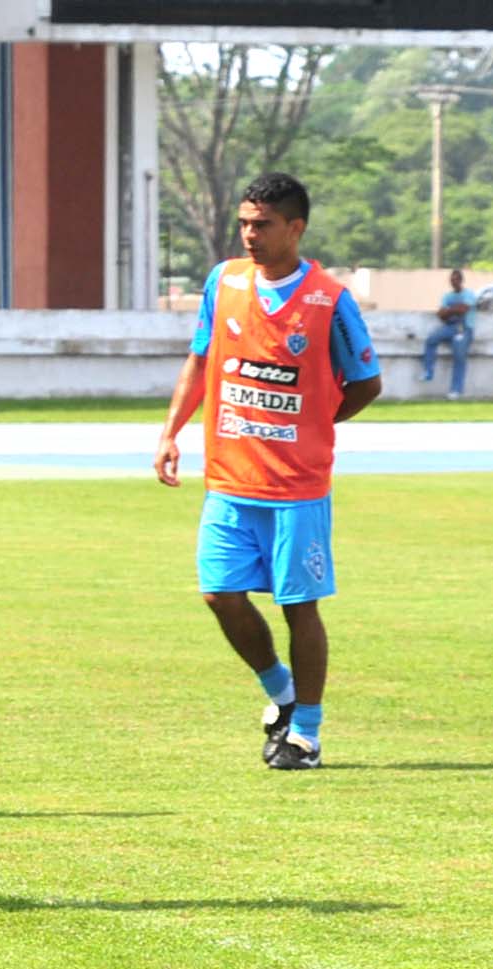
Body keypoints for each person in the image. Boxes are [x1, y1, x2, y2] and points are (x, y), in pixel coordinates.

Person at [155, 172, 383, 771]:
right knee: (219, 595)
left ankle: (306, 733)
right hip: (229, 480)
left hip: (296, 487)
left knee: (299, 606)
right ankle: (281, 693)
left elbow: (367, 382)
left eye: (262, 225)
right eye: (244, 224)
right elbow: (200, 358)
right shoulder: (224, 281)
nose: (249, 235)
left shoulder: (329, 300)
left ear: (295, 228)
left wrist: (316, 421)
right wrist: (171, 432)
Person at [420, 268, 475, 399]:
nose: (453, 282)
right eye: (452, 280)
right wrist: (453, 310)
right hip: (449, 327)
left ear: (461, 280)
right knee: (431, 339)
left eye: (456, 279)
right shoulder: (447, 296)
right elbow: (441, 314)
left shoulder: (469, 294)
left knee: (459, 355)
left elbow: (463, 309)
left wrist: (448, 310)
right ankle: (428, 371)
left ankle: (456, 389)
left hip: (464, 329)